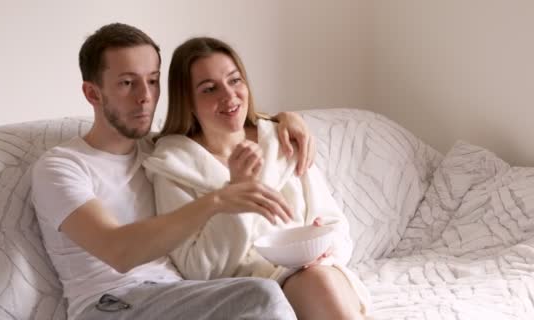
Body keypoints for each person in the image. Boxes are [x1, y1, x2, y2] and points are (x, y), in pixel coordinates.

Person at [31, 23, 316, 320]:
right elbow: (119, 251)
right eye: (127, 83)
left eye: (152, 81)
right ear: (93, 93)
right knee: (262, 296)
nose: (145, 96)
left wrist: (285, 120)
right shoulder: (61, 167)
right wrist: (218, 200)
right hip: (112, 304)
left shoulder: (159, 153)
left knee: (275, 289)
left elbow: (227, 124)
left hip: (181, 296)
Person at [143, 37, 371, 320]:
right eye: (210, 88)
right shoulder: (174, 166)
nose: (229, 96)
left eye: (235, 80)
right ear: (187, 101)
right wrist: (236, 195)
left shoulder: (284, 140)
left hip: (321, 275)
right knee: (316, 284)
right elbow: (199, 269)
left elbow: (336, 226)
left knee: (320, 280)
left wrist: (324, 249)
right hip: (254, 295)